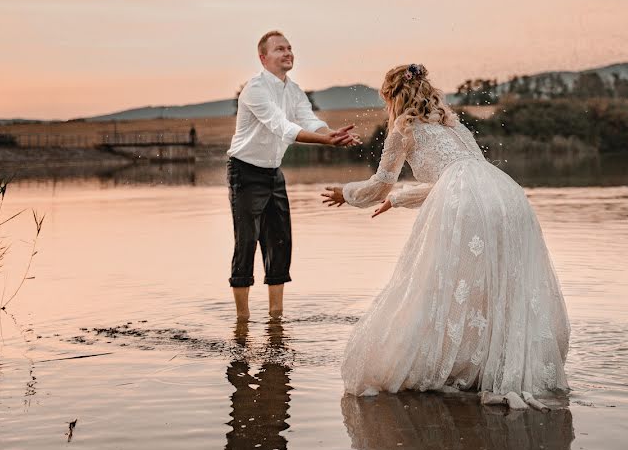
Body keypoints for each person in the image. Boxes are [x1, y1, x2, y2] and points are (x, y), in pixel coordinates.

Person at [322, 64, 569, 409]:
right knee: (496, 287)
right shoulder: (453, 125)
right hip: (507, 195)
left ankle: (453, 364)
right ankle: (494, 366)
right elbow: (460, 178)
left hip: (468, 200)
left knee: (441, 284)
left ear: (392, 97)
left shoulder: (401, 131)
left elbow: (381, 185)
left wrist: (346, 193)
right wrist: (399, 199)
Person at [228, 30, 359, 320]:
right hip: (245, 172)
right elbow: (281, 126)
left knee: (280, 243)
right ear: (263, 58)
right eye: (279, 49)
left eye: (289, 48)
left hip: (273, 173)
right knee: (246, 243)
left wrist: (330, 133)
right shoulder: (255, 90)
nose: (287, 53)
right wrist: (325, 142)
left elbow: (309, 120)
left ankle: (276, 319)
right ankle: (242, 322)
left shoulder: (294, 90)